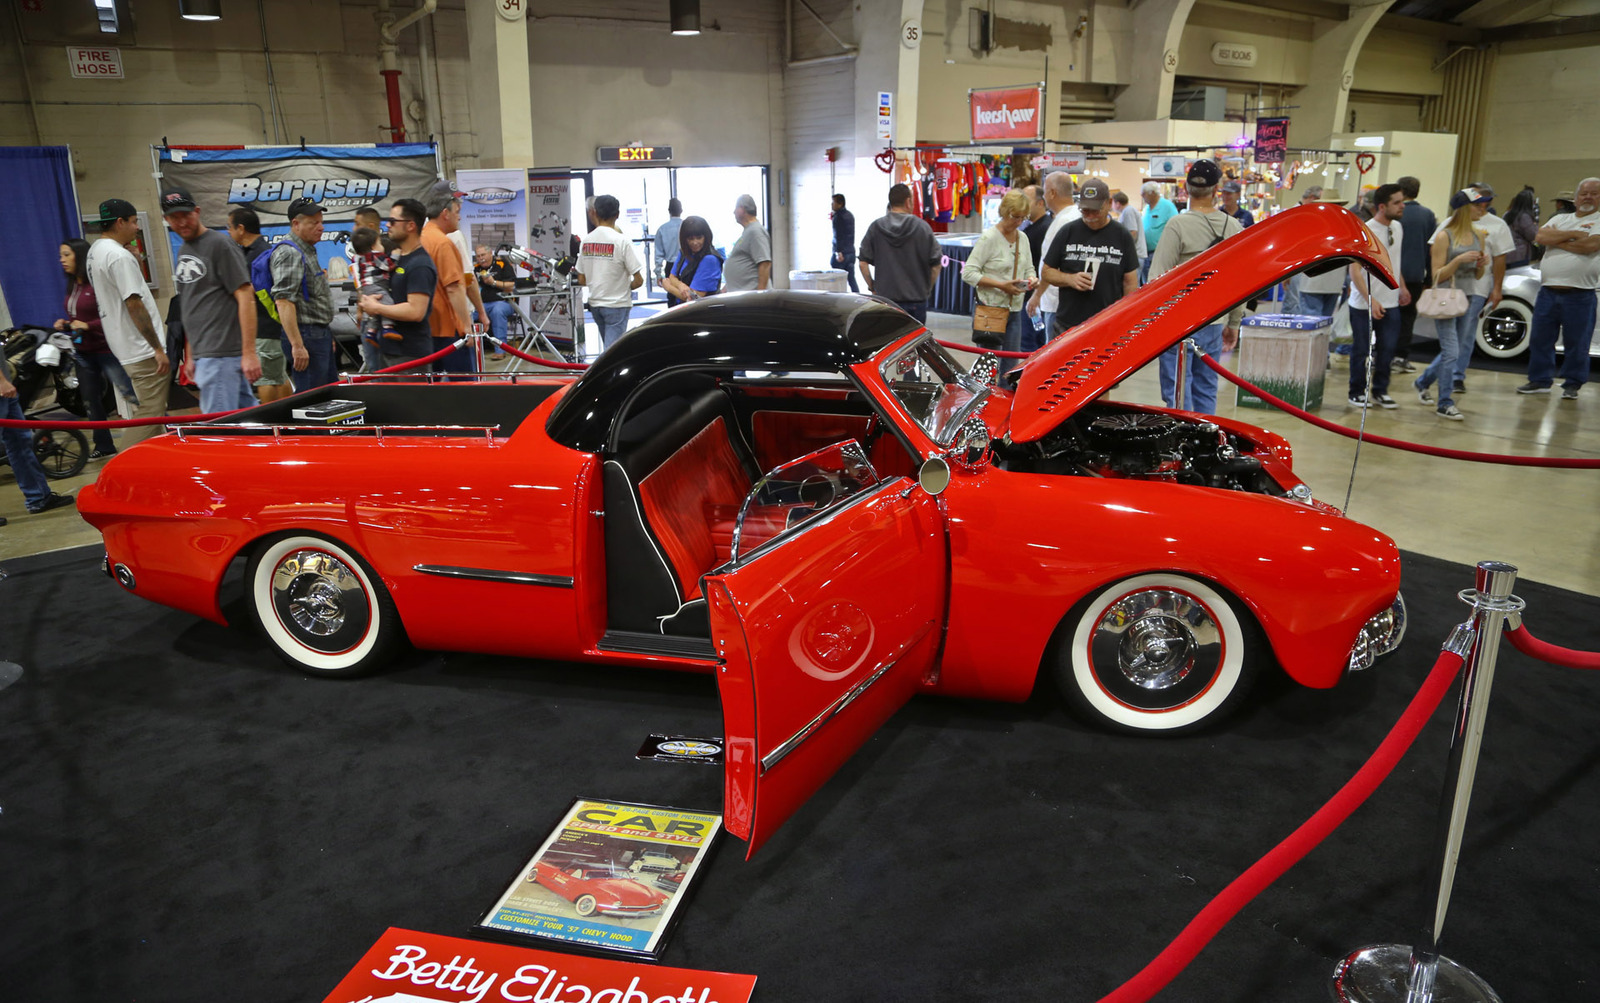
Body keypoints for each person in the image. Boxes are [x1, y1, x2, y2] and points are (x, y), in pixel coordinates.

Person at [1147, 161, 1244, 414]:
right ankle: (1205, 446)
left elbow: (1156, 279)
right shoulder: (1234, 227)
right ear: (1216, 191)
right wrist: (1233, 323)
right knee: (1206, 388)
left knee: (1178, 391)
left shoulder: (1177, 226)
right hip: (1213, 321)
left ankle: (1183, 445)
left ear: (1187, 189)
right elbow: (1240, 283)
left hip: (1177, 323)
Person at [161, 188, 260, 417]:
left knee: (217, 430)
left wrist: (249, 352)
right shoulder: (185, 249)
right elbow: (191, 305)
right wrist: (191, 353)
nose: (182, 222)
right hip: (208, 354)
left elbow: (245, 296)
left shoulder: (219, 245)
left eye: (186, 214)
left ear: (197, 211)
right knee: (250, 423)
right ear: (166, 219)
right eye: (175, 217)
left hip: (222, 355)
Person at [86, 198, 169, 445]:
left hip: (123, 344)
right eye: (133, 222)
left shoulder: (95, 251)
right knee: (151, 414)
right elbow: (134, 304)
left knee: (154, 414)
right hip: (141, 349)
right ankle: (122, 465)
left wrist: (136, 259)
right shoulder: (118, 257)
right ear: (120, 222)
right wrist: (156, 348)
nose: (137, 228)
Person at [1519, 176, 1600, 399]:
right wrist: (1573, 235)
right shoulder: (1561, 218)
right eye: (1584, 193)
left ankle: (1572, 384)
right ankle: (1540, 380)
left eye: (1594, 193)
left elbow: (1590, 246)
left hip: (1580, 294)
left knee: (1577, 342)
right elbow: (1541, 236)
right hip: (1547, 291)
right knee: (1540, 339)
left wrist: (1558, 241)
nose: (1588, 197)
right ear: (1575, 198)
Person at [1413, 189, 1489, 421]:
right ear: (1465, 208)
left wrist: (1481, 264)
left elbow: (1478, 276)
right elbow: (1436, 275)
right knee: (1452, 350)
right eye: (1477, 205)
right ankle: (1444, 402)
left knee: (1452, 350)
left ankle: (1423, 381)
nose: (1482, 209)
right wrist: (1457, 261)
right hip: (1446, 297)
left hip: (1469, 297)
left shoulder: (1480, 235)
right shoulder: (1444, 236)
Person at [55, 238, 133, 458]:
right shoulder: (73, 284)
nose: (62, 260)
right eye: (61, 255)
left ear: (79, 256)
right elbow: (77, 316)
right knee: (90, 399)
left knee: (130, 392)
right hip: (83, 352)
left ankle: (167, 430)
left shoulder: (97, 283)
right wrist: (67, 323)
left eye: (66, 255)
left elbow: (113, 315)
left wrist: (88, 325)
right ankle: (104, 445)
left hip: (106, 350)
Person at [1038, 179, 1139, 340]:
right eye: (1085, 211)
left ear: (1109, 203)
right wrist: (1069, 279)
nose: (1090, 216)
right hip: (1068, 325)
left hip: (1107, 324)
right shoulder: (1068, 231)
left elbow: (1130, 282)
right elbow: (1047, 272)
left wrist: (1127, 320)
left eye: (1095, 211)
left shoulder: (1121, 235)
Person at [1345, 183, 1410, 409]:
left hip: (1391, 301)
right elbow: (1354, 270)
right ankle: (1356, 391)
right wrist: (1370, 299)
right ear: (1382, 206)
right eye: (1397, 202)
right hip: (1364, 303)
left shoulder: (1398, 228)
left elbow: (1393, 262)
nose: (1402, 206)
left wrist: (1401, 286)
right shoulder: (1365, 230)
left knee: (1387, 349)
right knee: (1361, 349)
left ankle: (1380, 391)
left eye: (1402, 201)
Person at [225, 208, 294, 403]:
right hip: (263, 327)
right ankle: (285, 420)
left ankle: (274, 423)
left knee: (268, 379)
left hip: (266, 326)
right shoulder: (249, 253)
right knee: (277, 375)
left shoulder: (260, 255)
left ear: (241, 228)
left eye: (229, 228)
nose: (228, 233)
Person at [960, 189, 1037, 363]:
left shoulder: (1023, 238)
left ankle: (1006, 390)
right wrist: (1001, 285)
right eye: (1015, 216)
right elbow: (969, 273)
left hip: (1015, 310)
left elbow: (1029, 268)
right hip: (991, 309)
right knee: (989, 364)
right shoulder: (989, 238)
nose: (1018, 222)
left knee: (1010, 365)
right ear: (1004, 212)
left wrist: (1032, 280)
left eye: (1022, 218)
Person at [0, 349, 75, 525]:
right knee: (18, 443)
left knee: (20, 442)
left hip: (6, 390)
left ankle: (39, 498)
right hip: (2, 387)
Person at [360, 198, 437, 370]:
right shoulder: (396, 258)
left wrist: (377, 308)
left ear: (410, 226)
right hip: (389, 349)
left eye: (393, 221)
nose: (387, 225)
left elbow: (416, 311)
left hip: (410, 354)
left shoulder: (420, 264)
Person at [270, 197, 334, 391]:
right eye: (314, 223)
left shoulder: (307, 250)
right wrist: (297, 346)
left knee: (329, 397)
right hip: (306, 336)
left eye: (321, 222)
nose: (321, 227)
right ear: (295, 224)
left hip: (317, 334)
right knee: (312, 403)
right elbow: (283, 301)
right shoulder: (290, 253)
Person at [857, 183, 943, 324]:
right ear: (908, 201)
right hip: (916, 300)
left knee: (887, 343)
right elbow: (936, 265)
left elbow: (862, 263)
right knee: (914, 344)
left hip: (885, 301)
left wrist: (872, 286)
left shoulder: (876, 227)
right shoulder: (923, 228)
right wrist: (926, 289)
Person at [576, 194, 645, 348]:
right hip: (617, 304)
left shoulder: (586, 241)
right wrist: (624, 286)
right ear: (617, 215)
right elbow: (639, 280)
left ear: (595, 212)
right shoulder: (622, 240)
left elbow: (581, 279)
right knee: (612, 353)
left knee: (609, 348)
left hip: (595, 304)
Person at [420, 185, 474, 373]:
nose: (459, 217)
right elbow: (454, 288)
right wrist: (467, 326)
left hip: (428, 327)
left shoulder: (421, 237)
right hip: (448, 329)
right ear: (445, 213)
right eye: (457, 212)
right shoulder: (442, 243)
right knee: (464, 388)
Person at [1023, 172, 1079, 350]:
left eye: (1046, 192)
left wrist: (1037, 295)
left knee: (1053, 354)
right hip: (1062, 301)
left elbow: (1051, 266)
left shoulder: (1064, 222)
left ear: (1052, 193)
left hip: (1056, 302)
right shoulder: (1072, 217)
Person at [1392, 176, 1436, 374]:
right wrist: (1429, 278)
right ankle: (1401, 356)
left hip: (1391, 272)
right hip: (1415, 274)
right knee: (1408, 317)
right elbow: (1431, 249)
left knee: (1388, 315)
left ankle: (1384, 353)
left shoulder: (1394, 214)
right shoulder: (1427, 215)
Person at [350, 226, 397, 372]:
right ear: (373, 246)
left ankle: (372, 331)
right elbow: (389, 265)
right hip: (376, 290)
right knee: (387, 303)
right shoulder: (375, 256)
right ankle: (387, 327)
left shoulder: (358, 259)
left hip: (367, 292)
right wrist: (396, 255)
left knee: (376, 311)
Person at [660, 216, 723, 307]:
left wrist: (669, 287)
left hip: (701, 314)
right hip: (681, 308)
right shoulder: (684, 252)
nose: (695, 242)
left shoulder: (710, 259)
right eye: (690, 238)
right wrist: (681, 286)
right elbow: (672, 276)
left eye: (699, 237)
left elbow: (694, 298)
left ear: (706, 236)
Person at [1281, 186, 1325, 314]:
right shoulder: (1297, 213)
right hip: (1295, 263)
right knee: (1292, 302)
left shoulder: (1304, 212)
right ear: (1312, 198)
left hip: (1302, 263)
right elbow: (1289, 242)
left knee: (1297, 301)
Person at [473, 245, 516, 356]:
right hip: (482, 305)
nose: (481, 258)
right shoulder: (476, 268)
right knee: (468, 313)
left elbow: (512, 286)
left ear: (490, 253)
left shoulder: (502, 264)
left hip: (504, 303)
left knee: (497, 311)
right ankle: (469, 349)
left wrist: (493, 282)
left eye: (483, 255)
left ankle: (500, 350)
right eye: (478, 256)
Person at [724, 194, 772, 292]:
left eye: (736, 208)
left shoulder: (756, 231)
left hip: (754, 299)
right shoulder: (748, 231)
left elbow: (764, 263)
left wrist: (760, 294)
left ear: (742, 209)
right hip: (744, 296)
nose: (734, 212)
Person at [1139, 182, 1178, 284]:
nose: (1142, 196)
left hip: (1158, 253)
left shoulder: (1167, 206)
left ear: (1152, 193)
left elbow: (1176, 227)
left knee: (1156, 283)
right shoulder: (1147, 208)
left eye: (1144, 193)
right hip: (1146, 253)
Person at [1503, 187, 1540, 271]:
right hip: (1519, 254)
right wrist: (1535, 224)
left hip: (1506, 251)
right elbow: (1532, 235)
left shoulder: (1507, 214)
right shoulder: (1524, 217)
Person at [1022, 184, 1053, 278]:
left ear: (1040, 203)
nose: (1022, 205)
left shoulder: (1045, 228)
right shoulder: (1031, 226)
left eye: (1026, 201)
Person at [1112, 190, 1143, 282]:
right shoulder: (1127, 211)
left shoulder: (1128, 211)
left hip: (1136, 255)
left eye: (1112, 203)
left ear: (1117, 203)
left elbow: (1133, 233)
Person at [830, 194, 857, 292]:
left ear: (840, 204)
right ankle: (859, 299)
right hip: (851, 252)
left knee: (837, 282)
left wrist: (838, 252)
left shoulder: (838, 217)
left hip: (841, 254)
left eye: (833, 202)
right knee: (851, 280)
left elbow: (838, 235)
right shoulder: (850, 215)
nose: (831, 204)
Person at [654, 198, 683, 283]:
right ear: (681, 210)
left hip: (670, 267)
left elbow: (658, 254)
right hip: (686, 265)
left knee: (672, 293)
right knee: (687, 294)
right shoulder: (687, 226)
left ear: (669, 211)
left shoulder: (662, 229)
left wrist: (658, 274)